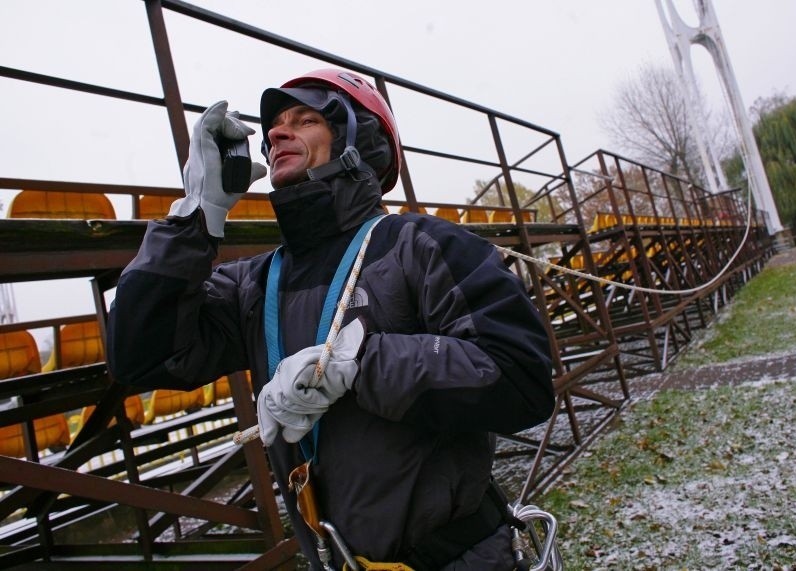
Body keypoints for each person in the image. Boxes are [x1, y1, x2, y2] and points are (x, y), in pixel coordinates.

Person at [107, 68, 555, 570]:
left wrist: (359, 363)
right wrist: (197, 213)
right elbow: (139, 355)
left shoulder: (422, 245)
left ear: (357, 140)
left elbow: (521, 375)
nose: (276, 133)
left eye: (304, 119)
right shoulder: (254, 284)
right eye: (275, 124)